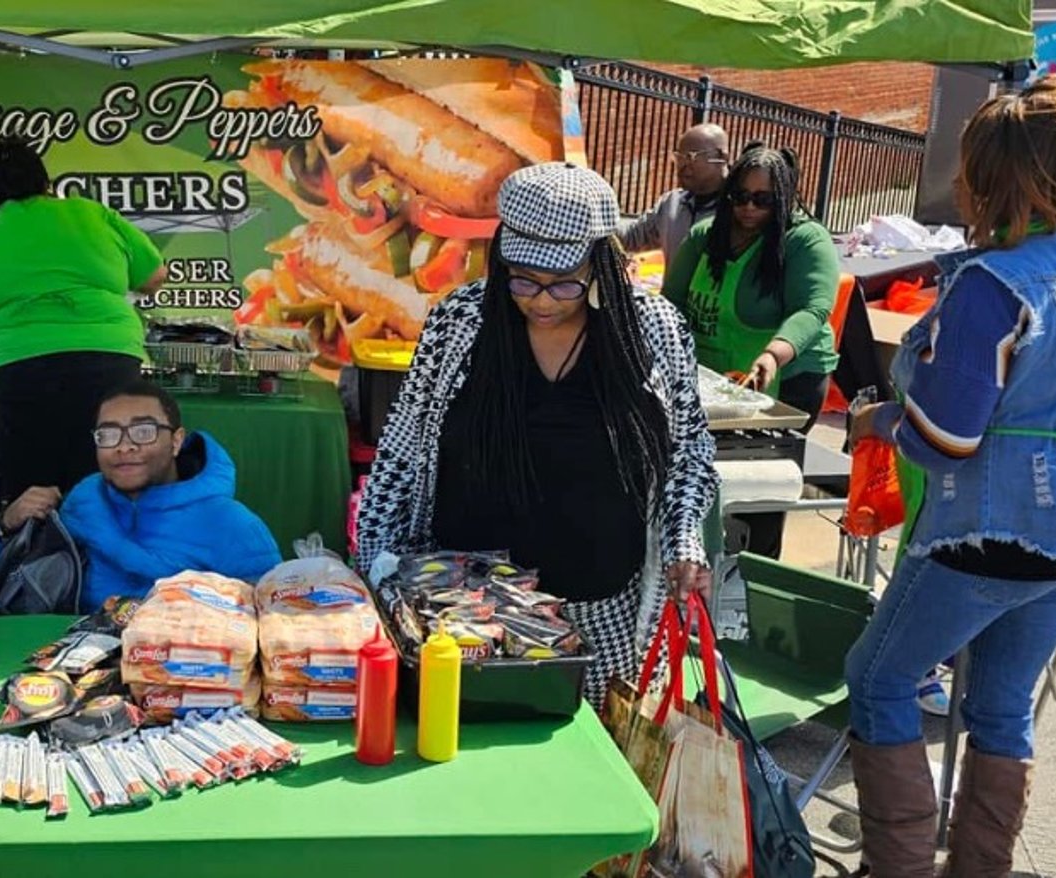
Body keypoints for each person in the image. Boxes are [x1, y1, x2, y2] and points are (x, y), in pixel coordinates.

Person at [844, 75, 1056, 878]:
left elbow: (947, 437)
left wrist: (880, 422)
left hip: (988, 530)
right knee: (1002, 707)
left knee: (879, 680)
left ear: (992, 177)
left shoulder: (992, 284)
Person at [355, 162, 719, 709]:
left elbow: (689, 452)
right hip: (462, 608)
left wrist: (684, 541)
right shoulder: (459, 321)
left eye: (565, 283)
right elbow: (402, 452)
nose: (542, 300)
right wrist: (376, 566)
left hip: (605, 609)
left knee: (590, 761)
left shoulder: (654, 329)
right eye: (522, 278)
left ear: (602, 263)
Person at [0, 137, 168, 507]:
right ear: (46, 181)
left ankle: (40, 563)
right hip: (108, 365)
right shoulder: (91, 215)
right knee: (112, 490)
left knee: (30, 499)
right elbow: (154, 275)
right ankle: (115, 561)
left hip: (18, 379)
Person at [0, 380, 281, 613]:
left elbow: (273, 616)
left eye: (143, 432)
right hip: (75, 662)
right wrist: (6, 527)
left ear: (176, 441)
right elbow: (5, 581)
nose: (124, 446)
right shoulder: (82, 504)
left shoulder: (233, 525)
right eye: (108, 435)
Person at [663, 143, 840, 423]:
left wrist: (773, 355)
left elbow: (812, 309)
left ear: (783, 198)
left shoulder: (806, 240)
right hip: (713, 377)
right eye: (740, 196)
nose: (748, 207)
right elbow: (671, 303)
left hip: (786, 376)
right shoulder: (704, 235)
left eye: (763, 199)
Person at [617, 123, 730, 265]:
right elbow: (632, 237)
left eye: (692, 156)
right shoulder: (672, 203)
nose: (683, 165)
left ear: (722, 157)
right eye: (679, 157)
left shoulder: (741, 208)